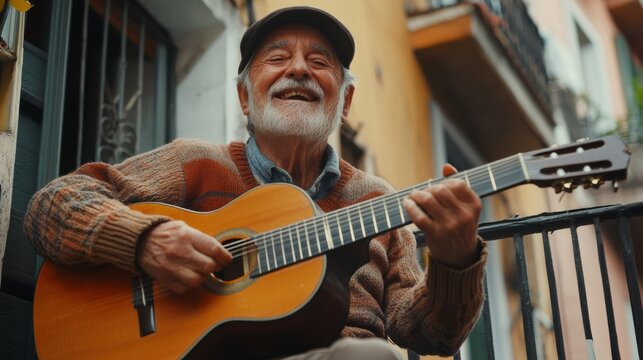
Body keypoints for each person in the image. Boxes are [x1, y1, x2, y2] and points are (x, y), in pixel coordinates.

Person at [25, 6, 487, 360]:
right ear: (245, 96)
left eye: (319, 62)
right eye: (278, 58)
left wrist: (457, 261)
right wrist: (143, 241)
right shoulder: (195, 162)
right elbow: (52, 205)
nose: (300, 69)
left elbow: (430, 334)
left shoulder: (376, 200)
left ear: (345, 102)